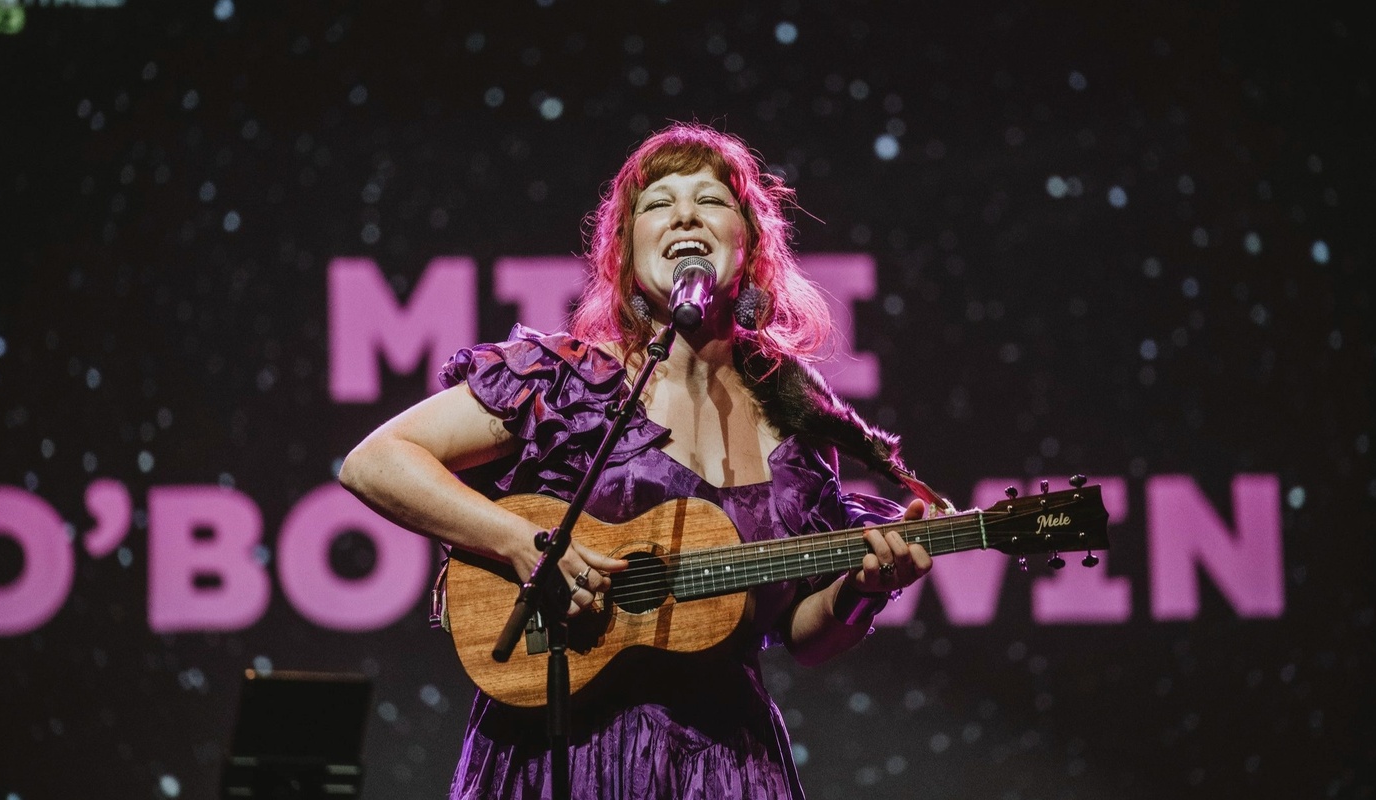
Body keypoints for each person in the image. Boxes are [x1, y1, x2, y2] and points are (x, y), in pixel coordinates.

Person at [338, 121, 944, 799]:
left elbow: (801, 633)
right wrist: (517, 541)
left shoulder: (798, 417)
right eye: (657, 204)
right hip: (556, 752)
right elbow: (376, 461)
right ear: (626, 250)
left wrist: (862, 590)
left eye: (711, 200)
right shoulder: (566, 381)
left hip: (725, 764)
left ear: (752, 241)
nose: (685, 213)